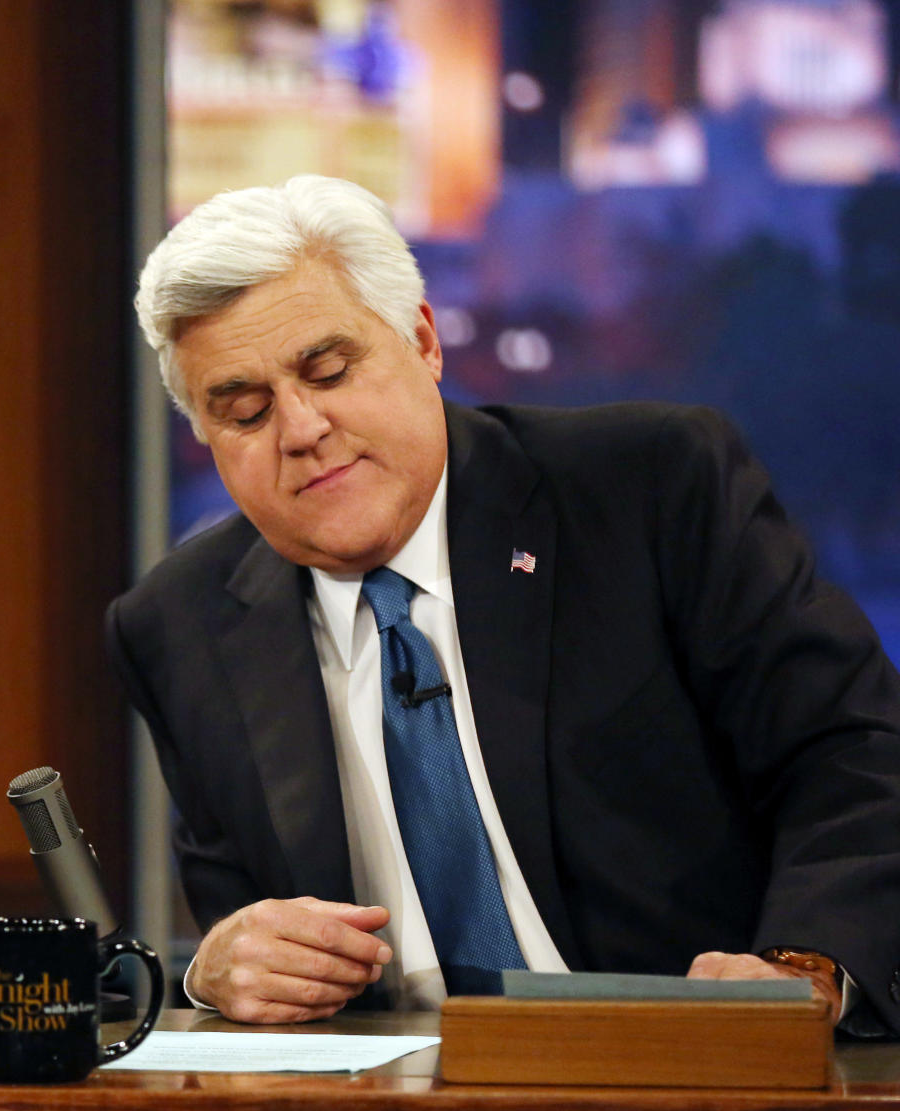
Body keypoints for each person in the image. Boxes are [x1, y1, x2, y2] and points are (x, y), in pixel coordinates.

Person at [108, 174, 900, 1036]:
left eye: (328, 371)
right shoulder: (180, 625)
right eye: (247, 412)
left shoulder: (651, 488)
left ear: (422, 341)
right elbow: (245, 922)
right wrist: (219, 969)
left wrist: (802, 970)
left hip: (701, 1082)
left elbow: (852, 751)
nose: (300, 430)